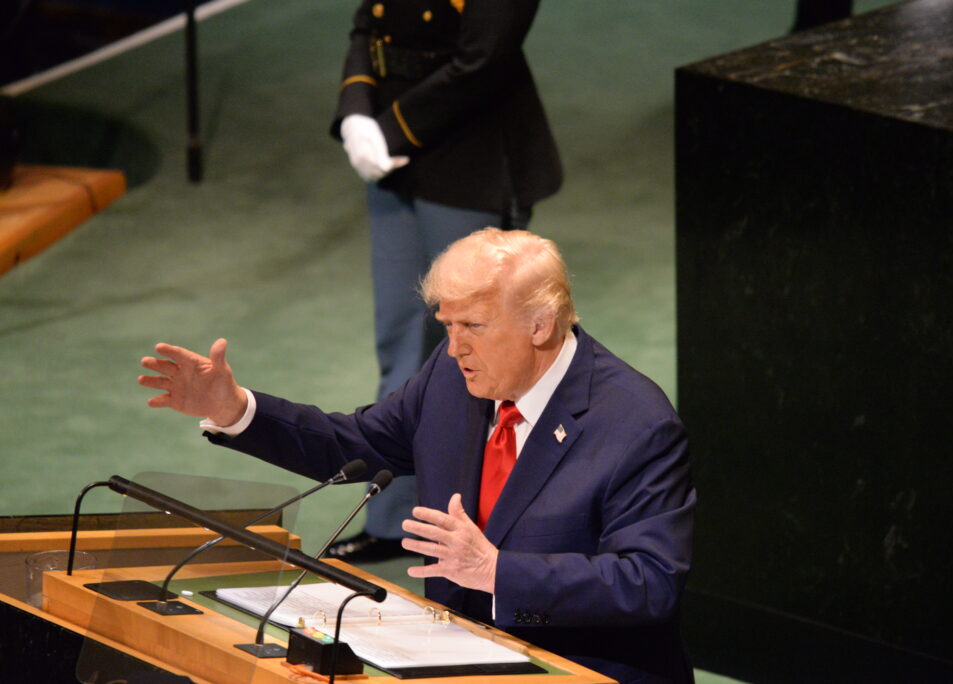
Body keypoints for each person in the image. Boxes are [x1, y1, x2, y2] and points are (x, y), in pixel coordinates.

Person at [138, 229, 695, 683]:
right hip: (452, 658)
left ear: (541, 325)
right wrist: (237, 408)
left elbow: (649, 583)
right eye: (448, 326)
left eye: (473, 327)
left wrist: (499, 572)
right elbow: (357, 443)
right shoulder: (452, 378)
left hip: (580, 670)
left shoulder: (634, 423)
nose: (455, 349)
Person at [329, 0, 562, 561]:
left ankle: (506, 521)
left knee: (485, 352)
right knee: (402, 343)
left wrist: (388, 130)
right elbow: (369, 24)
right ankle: (397, 523)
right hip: (394, 163)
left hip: (469, 158)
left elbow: (482, 60)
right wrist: (357, 111)